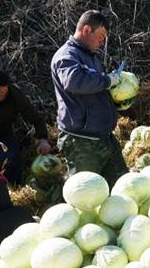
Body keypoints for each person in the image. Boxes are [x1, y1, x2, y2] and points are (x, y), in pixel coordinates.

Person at [51, 10, 128, 185]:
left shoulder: (90, 57)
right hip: (82, 142)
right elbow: (74, 81)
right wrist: (107, 80)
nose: (102, 43)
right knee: (84, 192)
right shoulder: (67, 56)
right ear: (86, 30)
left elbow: (94, 89)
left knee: (123, 184)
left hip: (103, 137)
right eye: (100, 37)